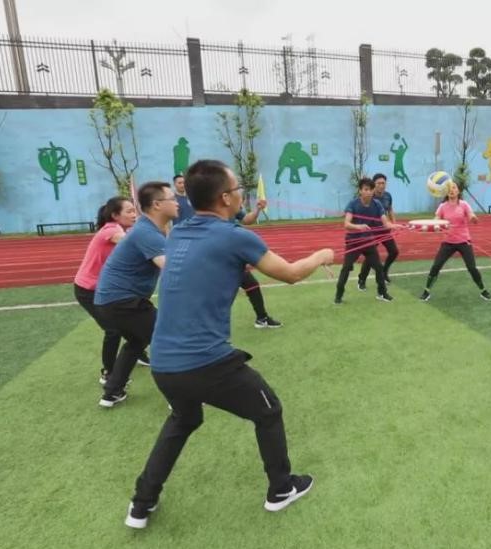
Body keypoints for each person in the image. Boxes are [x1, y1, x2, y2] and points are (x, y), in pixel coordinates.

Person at [123, 159, 334, 529]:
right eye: (238, 189)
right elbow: (290, 274)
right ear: (224, 198)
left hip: (164, 363)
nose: (241, 194)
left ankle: (141, 504)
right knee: (268, 410)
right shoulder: (235, 236)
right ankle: (281, 488)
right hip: (205, 362)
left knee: (184, 419)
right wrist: (322, 255)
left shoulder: (181, 231)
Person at [94, 182, 179, 407]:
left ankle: (112, 391)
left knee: (136, 342)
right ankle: (179, 397)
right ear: (157, 205)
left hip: (110, 301)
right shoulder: (146, 233)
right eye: (172, 199)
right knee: (167, 340)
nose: (177, 202)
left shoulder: (150, 229)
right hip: (122, 301)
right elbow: (171, 268)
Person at [73, 196, 137, 384]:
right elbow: (132, 244)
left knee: (129, 323)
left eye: (135, 210)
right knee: (113, 330)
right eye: (129, 211)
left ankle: (138, 353)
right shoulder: (111, 230)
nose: (134, 214)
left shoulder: (122, 229)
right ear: (115, 216)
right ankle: (108, 373)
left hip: (104, 288)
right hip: (88, 290)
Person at [418, 181, 491, 302]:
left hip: (464, 241)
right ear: (446, 192)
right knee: (436, 266)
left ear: (458, 191)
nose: (451, 190)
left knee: (472, 268)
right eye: (449, 188)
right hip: (448, 242)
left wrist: (473, 218)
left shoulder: (464, 204)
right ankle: (426, 291)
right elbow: (436, 218)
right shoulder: (442, 206)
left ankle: (483, 291)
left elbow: (471, 215)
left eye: (454, 188)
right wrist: (433, 224)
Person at [334, 177, 400, 304]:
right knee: (346, 268)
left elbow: (385, 223)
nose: (368, 192)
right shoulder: (353, 204)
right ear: (360, 191)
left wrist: (394, 225)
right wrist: (359, 227)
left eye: (370, 189)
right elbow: (346, 224)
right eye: (365, 189)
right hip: (354, 242)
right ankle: (338, 296)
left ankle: (382, 293)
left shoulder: (377, 204)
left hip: (369, 242)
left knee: (378, 267)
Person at [233, 198, 283, 328]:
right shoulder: (203, 208)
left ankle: (262, 318)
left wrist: (258, 209)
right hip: (215, 260)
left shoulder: (231, 207)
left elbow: (247, 220)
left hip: (232, 259)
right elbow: (291, 274)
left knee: (252, 285)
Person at [358, 173, 400, 289]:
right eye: (379, 183)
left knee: (394, 251)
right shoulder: (369, 197)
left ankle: (384, 272)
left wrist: (393, 223)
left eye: (383, 183)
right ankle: (362, 279)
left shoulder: (387, 196)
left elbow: (390, 209)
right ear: (374, 184)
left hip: (385, 230)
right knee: (370, 256)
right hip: (372, 231)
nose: (381, 185)